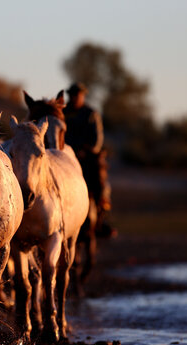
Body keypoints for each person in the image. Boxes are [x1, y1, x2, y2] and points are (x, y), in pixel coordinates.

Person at [63, 83, 115, 238]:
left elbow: (97, 140)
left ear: (83, 96)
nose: (74, 97)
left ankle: (102, 212)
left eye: (78, 95)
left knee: (100, 176)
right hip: (66, 155)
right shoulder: (63, 112)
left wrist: (87, 150)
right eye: (72, 95)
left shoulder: (91, 113)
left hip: (87, 156)